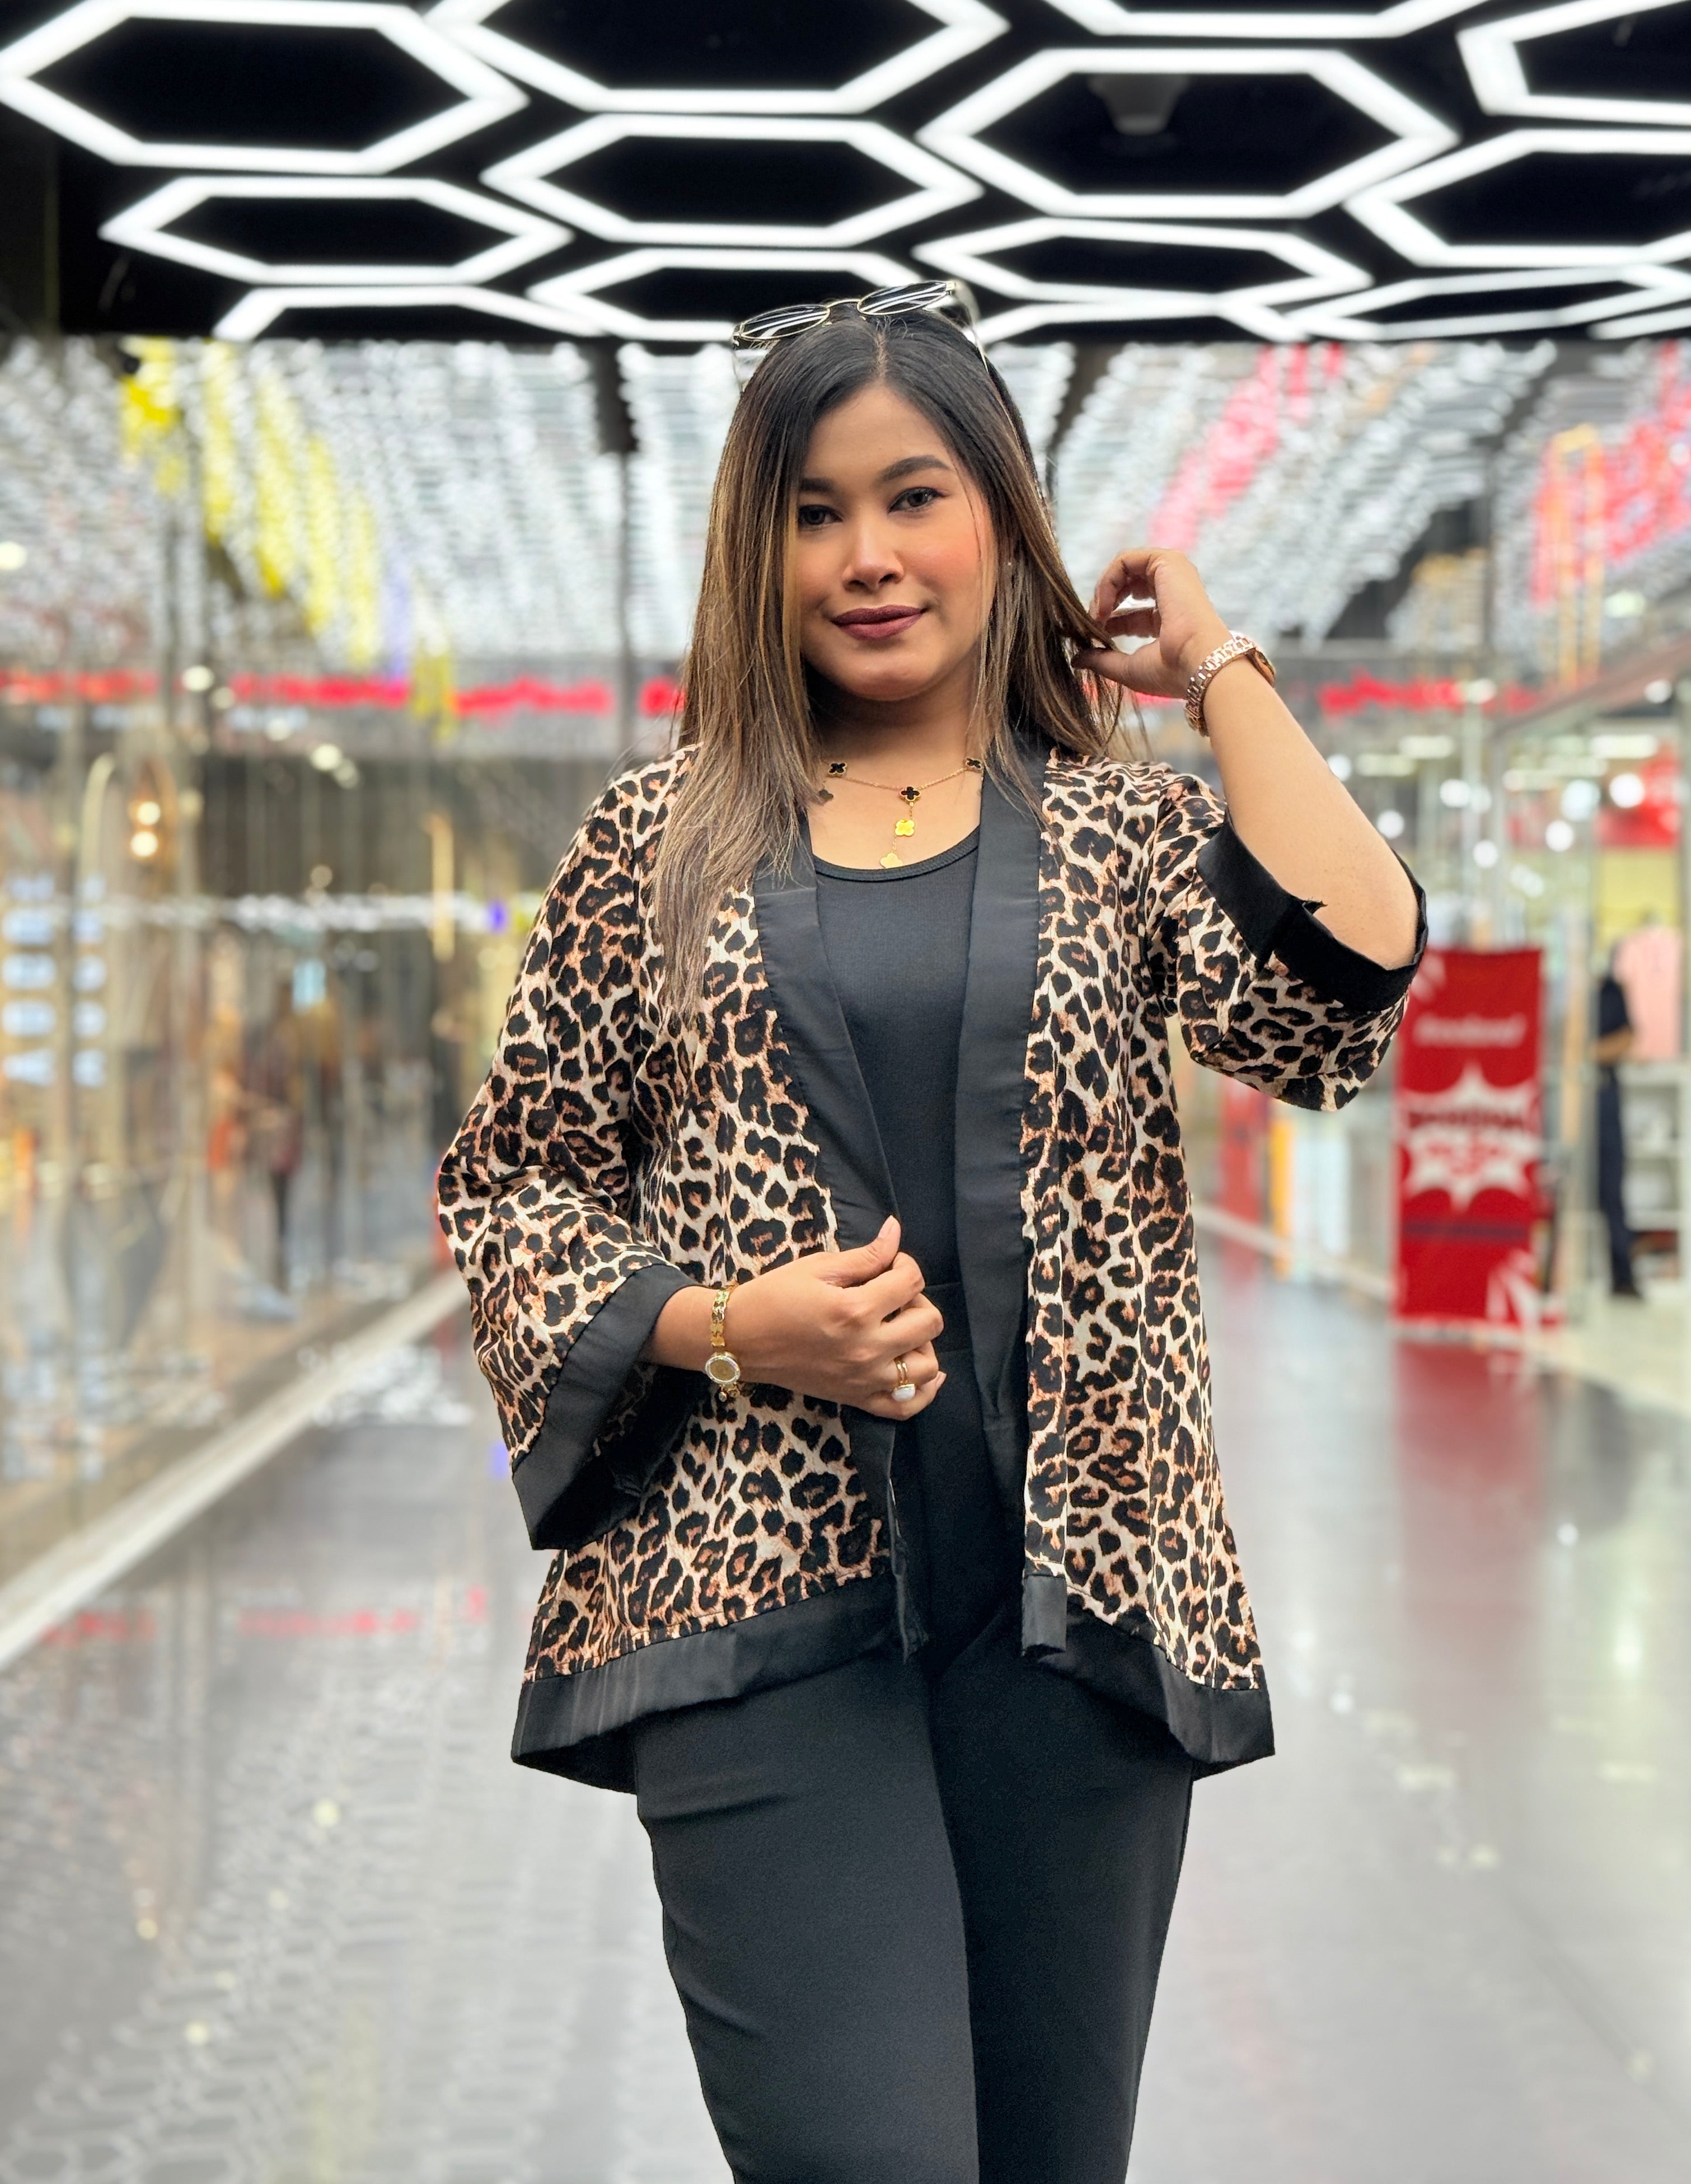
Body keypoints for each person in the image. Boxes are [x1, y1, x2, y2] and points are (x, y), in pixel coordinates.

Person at [437, 283, 1425, 2184]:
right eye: (814, 512)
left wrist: (1216, 664)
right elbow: (512, 1186)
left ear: (1000, 520)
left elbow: (1343, 984)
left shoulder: (1119, 833)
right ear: (758, 549)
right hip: (759, 1617)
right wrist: (730, 1321)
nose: (868, 556)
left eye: (914, 498)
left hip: (1080, 1621)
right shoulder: (656, 846)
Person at [1594, 959, 1640, 1298]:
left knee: (1613, 1188)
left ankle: (1623, 1276)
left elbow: (1626, 1037)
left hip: (1603, 1092)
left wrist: (1587, 1054)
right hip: (1567, 1095)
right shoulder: (1560, 987)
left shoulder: (1611, 991)